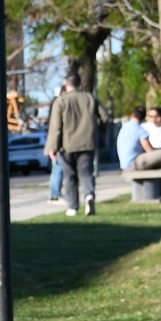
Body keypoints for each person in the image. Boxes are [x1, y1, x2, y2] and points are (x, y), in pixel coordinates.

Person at [43, 72, 107, 216]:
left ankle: (73, 207)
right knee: (86, 173)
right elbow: (105, 117)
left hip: (67, 145)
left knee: (70, 177)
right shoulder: (90, 98)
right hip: (87, 143)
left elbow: (56, 127)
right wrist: (99, 133)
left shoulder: (60, 101)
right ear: (80, 84)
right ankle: (89, 195)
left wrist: (52, 147)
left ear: (66, 85)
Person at [133, 105, 161, 179]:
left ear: (159, 117)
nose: (148, 118)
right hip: (148, 153)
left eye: (151, 116)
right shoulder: (144, 127)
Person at [116, 106, 148, 172]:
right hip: (133, 164)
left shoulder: (125, 127)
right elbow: (149, 149)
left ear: (132, 114)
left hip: (124, 164)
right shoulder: (140, 130)